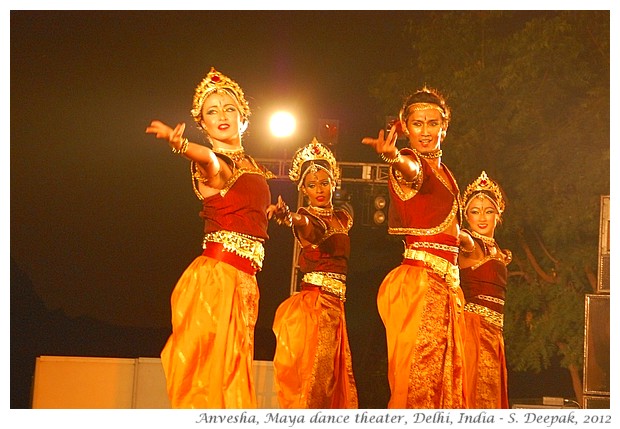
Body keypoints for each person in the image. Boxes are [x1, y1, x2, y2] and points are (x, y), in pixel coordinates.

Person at [145, 67, 276, 408]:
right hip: (217, 281)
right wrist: (183, 146)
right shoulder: (216, 162)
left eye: (229, 108)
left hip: (244, 281)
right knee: (211, 381)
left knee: (232, 378)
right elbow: (210, 163)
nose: (222, 116)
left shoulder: (252, 165)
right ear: (201, 124)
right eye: (212, 111)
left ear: (244, 118)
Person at [361, 87, 467, 408]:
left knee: (444, 383)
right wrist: (392, 156)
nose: (425, 130)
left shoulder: (446, 173)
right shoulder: (409, 161)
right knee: (419, 379)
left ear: (444, 127)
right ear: (405, 128)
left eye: (432, 123)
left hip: (445, 287)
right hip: (421, 284)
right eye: (417, 123)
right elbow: (411, 171)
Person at [270, 138, 359, 408]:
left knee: (333, 382)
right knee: (315, 381)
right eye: (311, 185)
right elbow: (307, 225)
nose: (319, 190)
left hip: (336, 307)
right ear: (303, 189)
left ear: (334, 183)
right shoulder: (306, 217)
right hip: (316, 307)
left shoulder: (343, 218)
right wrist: (288, 217)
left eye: (324, 183)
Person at [458, 171, 512, 409]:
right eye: (475, 211)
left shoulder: (498, 251)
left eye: (488, 211)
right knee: (474, 397)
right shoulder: (470, 242)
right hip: (473, 332)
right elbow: (456, 237)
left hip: (494, 333)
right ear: (466, 216)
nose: (482, 218)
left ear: (498, 216)